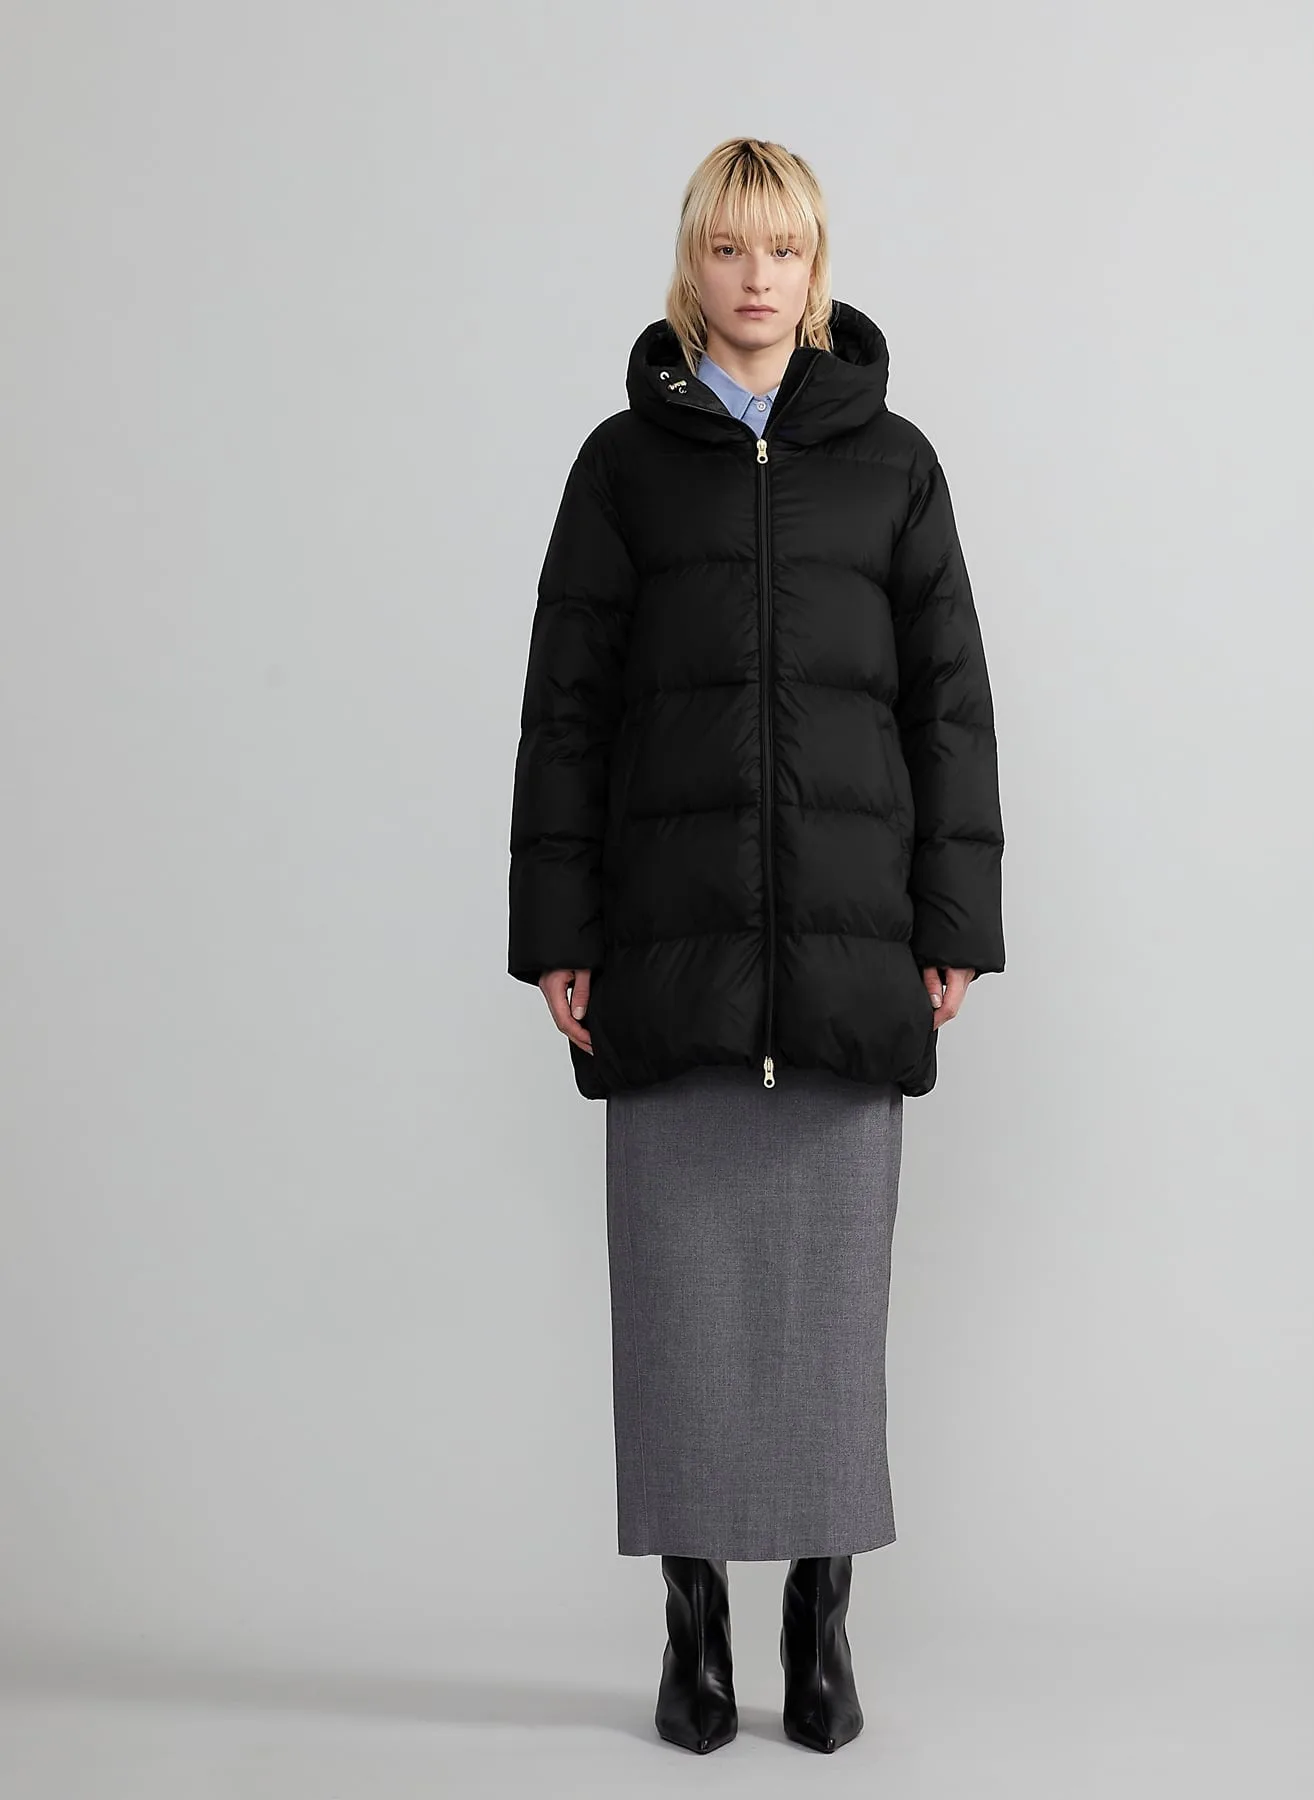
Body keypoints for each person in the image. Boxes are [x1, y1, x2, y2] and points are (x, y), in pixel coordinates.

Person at [507, 136, 1005, 1756]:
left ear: (817, 266)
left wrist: (953, 925)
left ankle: (820, 1615)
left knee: (827, 1324)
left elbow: (949, 707)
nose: (757, 278)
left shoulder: (896, 465)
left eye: (783, 249)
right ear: (692, 265)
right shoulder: (622, 467)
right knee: (679, 1321)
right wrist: (559, 933)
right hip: (671, 956)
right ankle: (694, 1620)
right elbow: (568, 713)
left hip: (849, 963)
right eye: (729, 249)